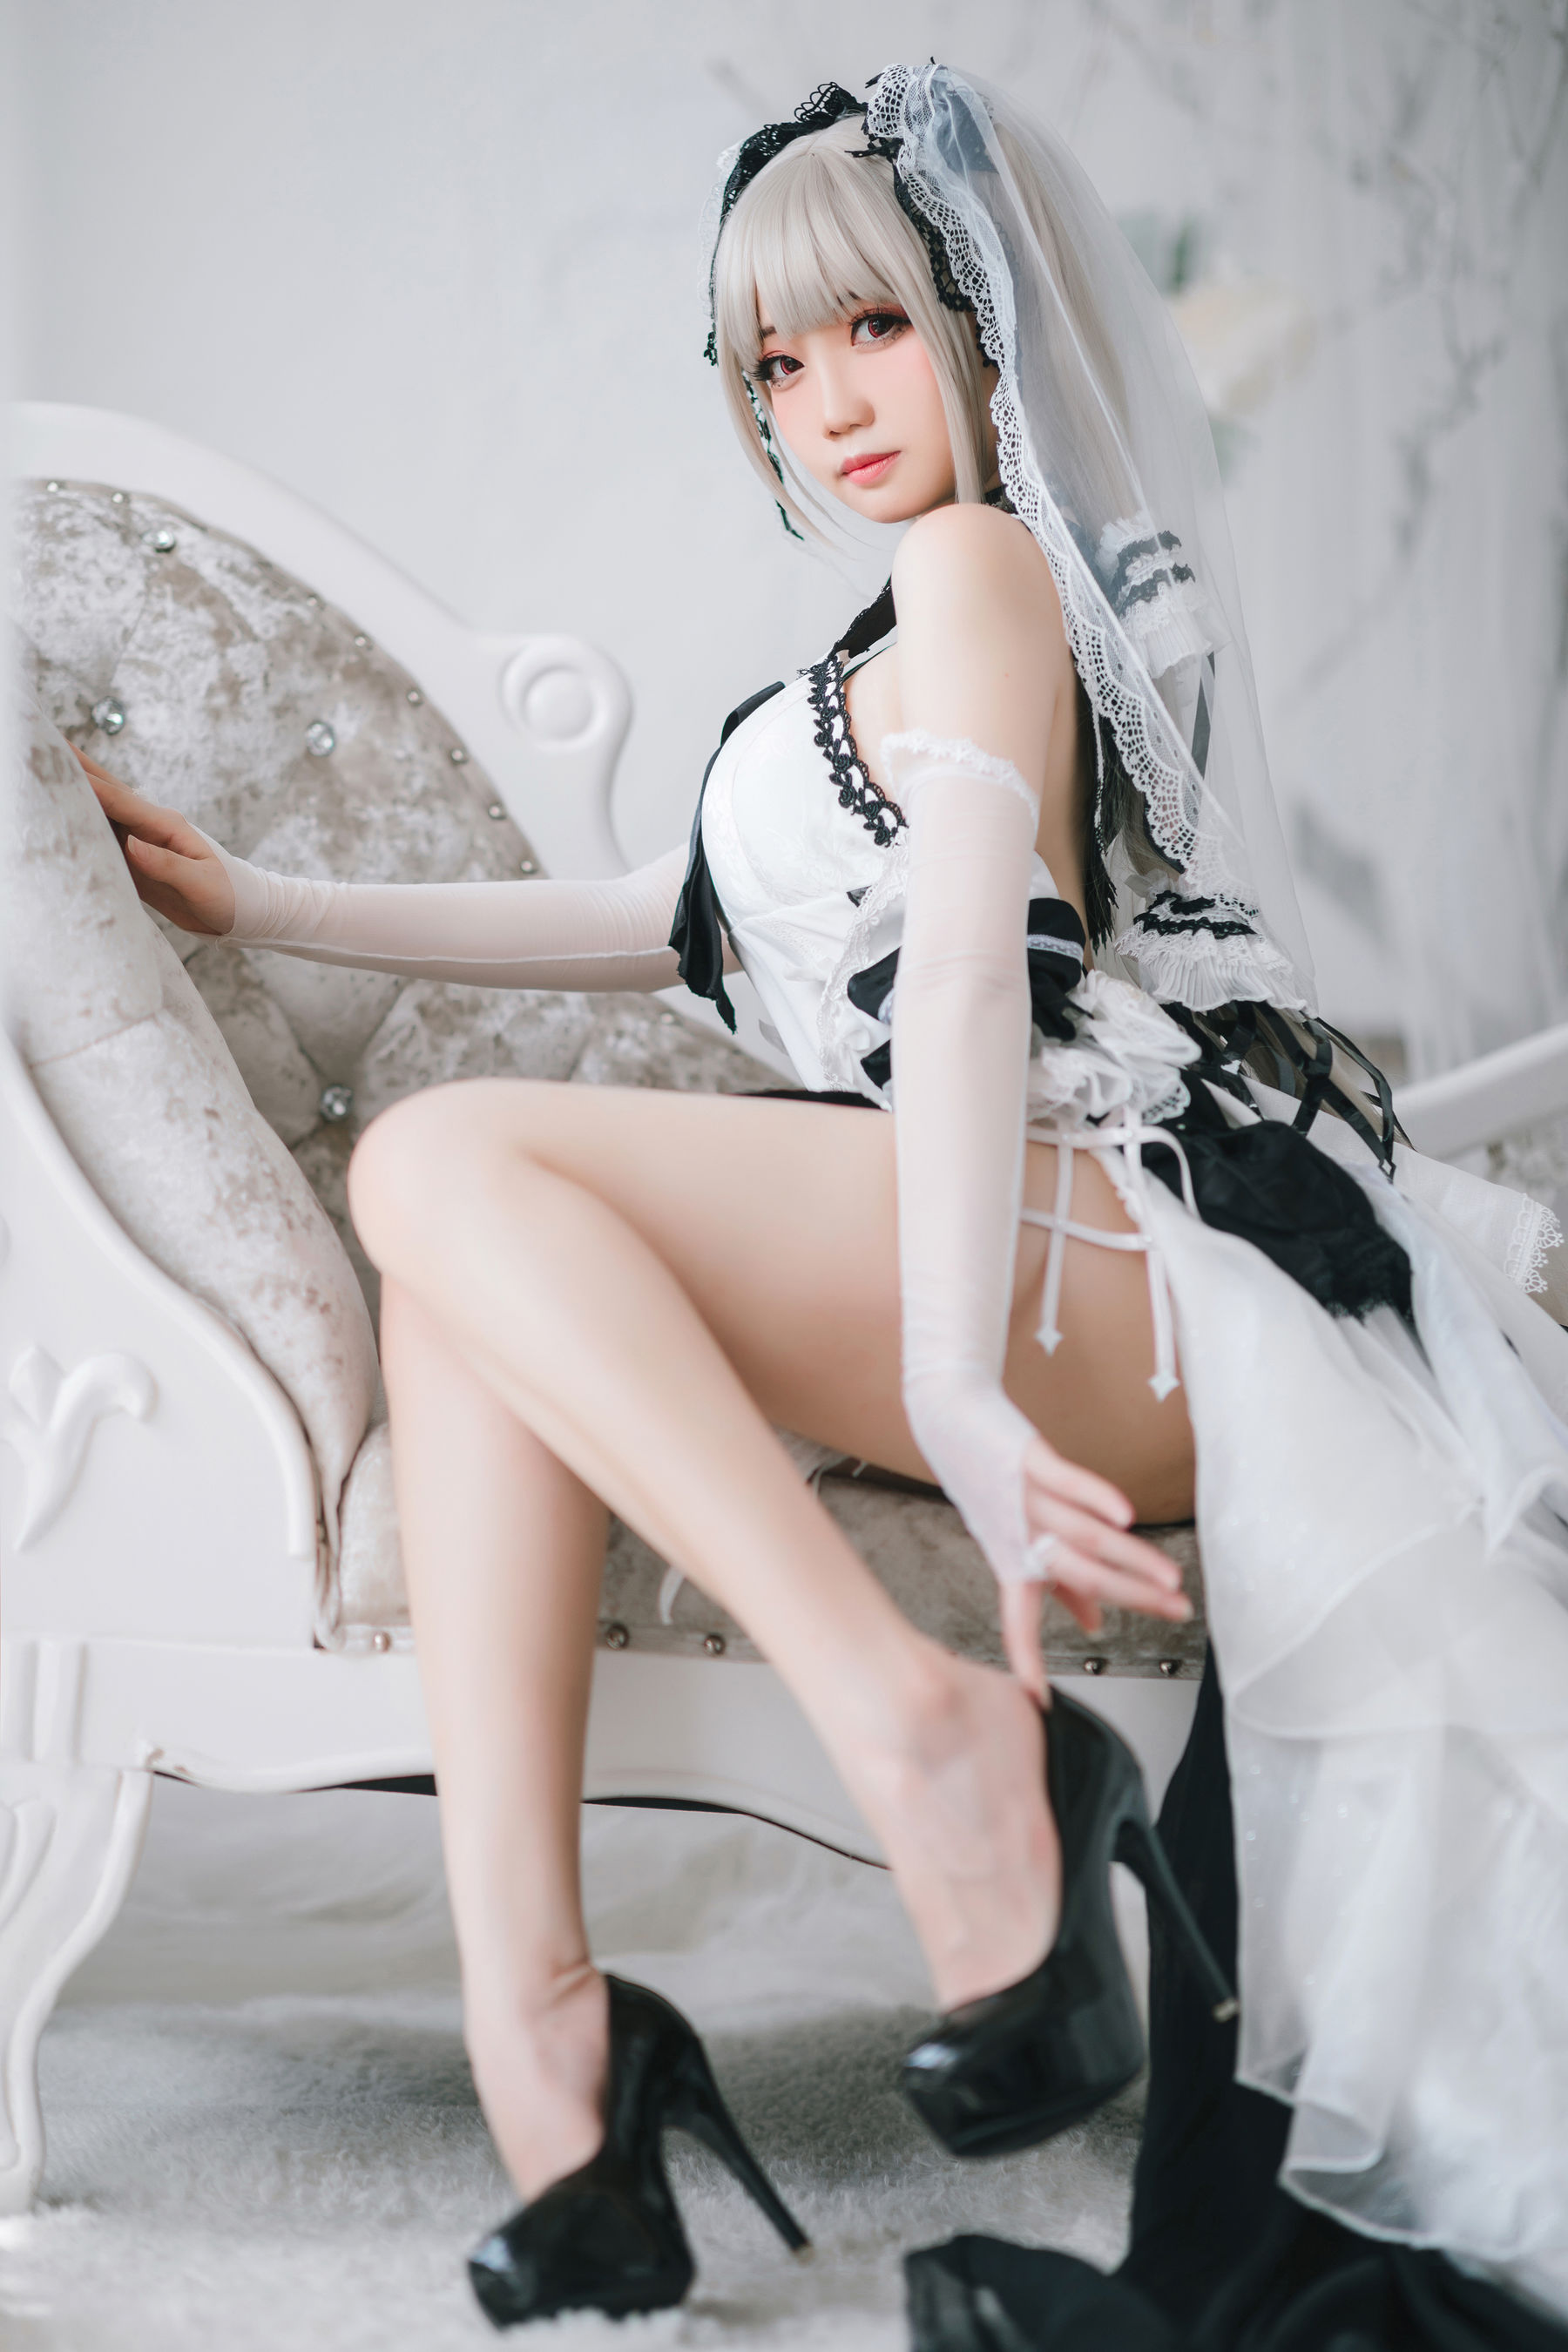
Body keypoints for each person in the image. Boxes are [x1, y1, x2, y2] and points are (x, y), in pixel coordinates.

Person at [77, 63, 1568, 2343]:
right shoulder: (884, 645)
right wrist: (278, 903)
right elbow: (661, 912)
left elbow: (969, 969)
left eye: (875, 327)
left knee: (436, 1160)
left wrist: (958, 1377)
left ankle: (929, 1737)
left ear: (985, 322)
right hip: (1067, 1234)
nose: (829, 401)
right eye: (776, 361)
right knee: (457, 1273)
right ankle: (554, 2055)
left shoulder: (986, 571)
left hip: (1166, 1244)